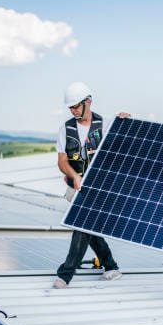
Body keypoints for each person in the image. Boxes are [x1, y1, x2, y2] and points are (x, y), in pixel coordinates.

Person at [52, 81, 127, 289]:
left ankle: (65, 274)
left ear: (88, 102)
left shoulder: (105, 124)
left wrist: (125, 122)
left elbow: (125, 142)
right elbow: (62, 161)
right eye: (70, 107)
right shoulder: (65, 129)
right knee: (89, 226)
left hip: (98, 189)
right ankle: (111, 266)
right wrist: (74, 176)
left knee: (82, 223)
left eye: (76, 105)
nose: (73, 110)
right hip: (75, 188)